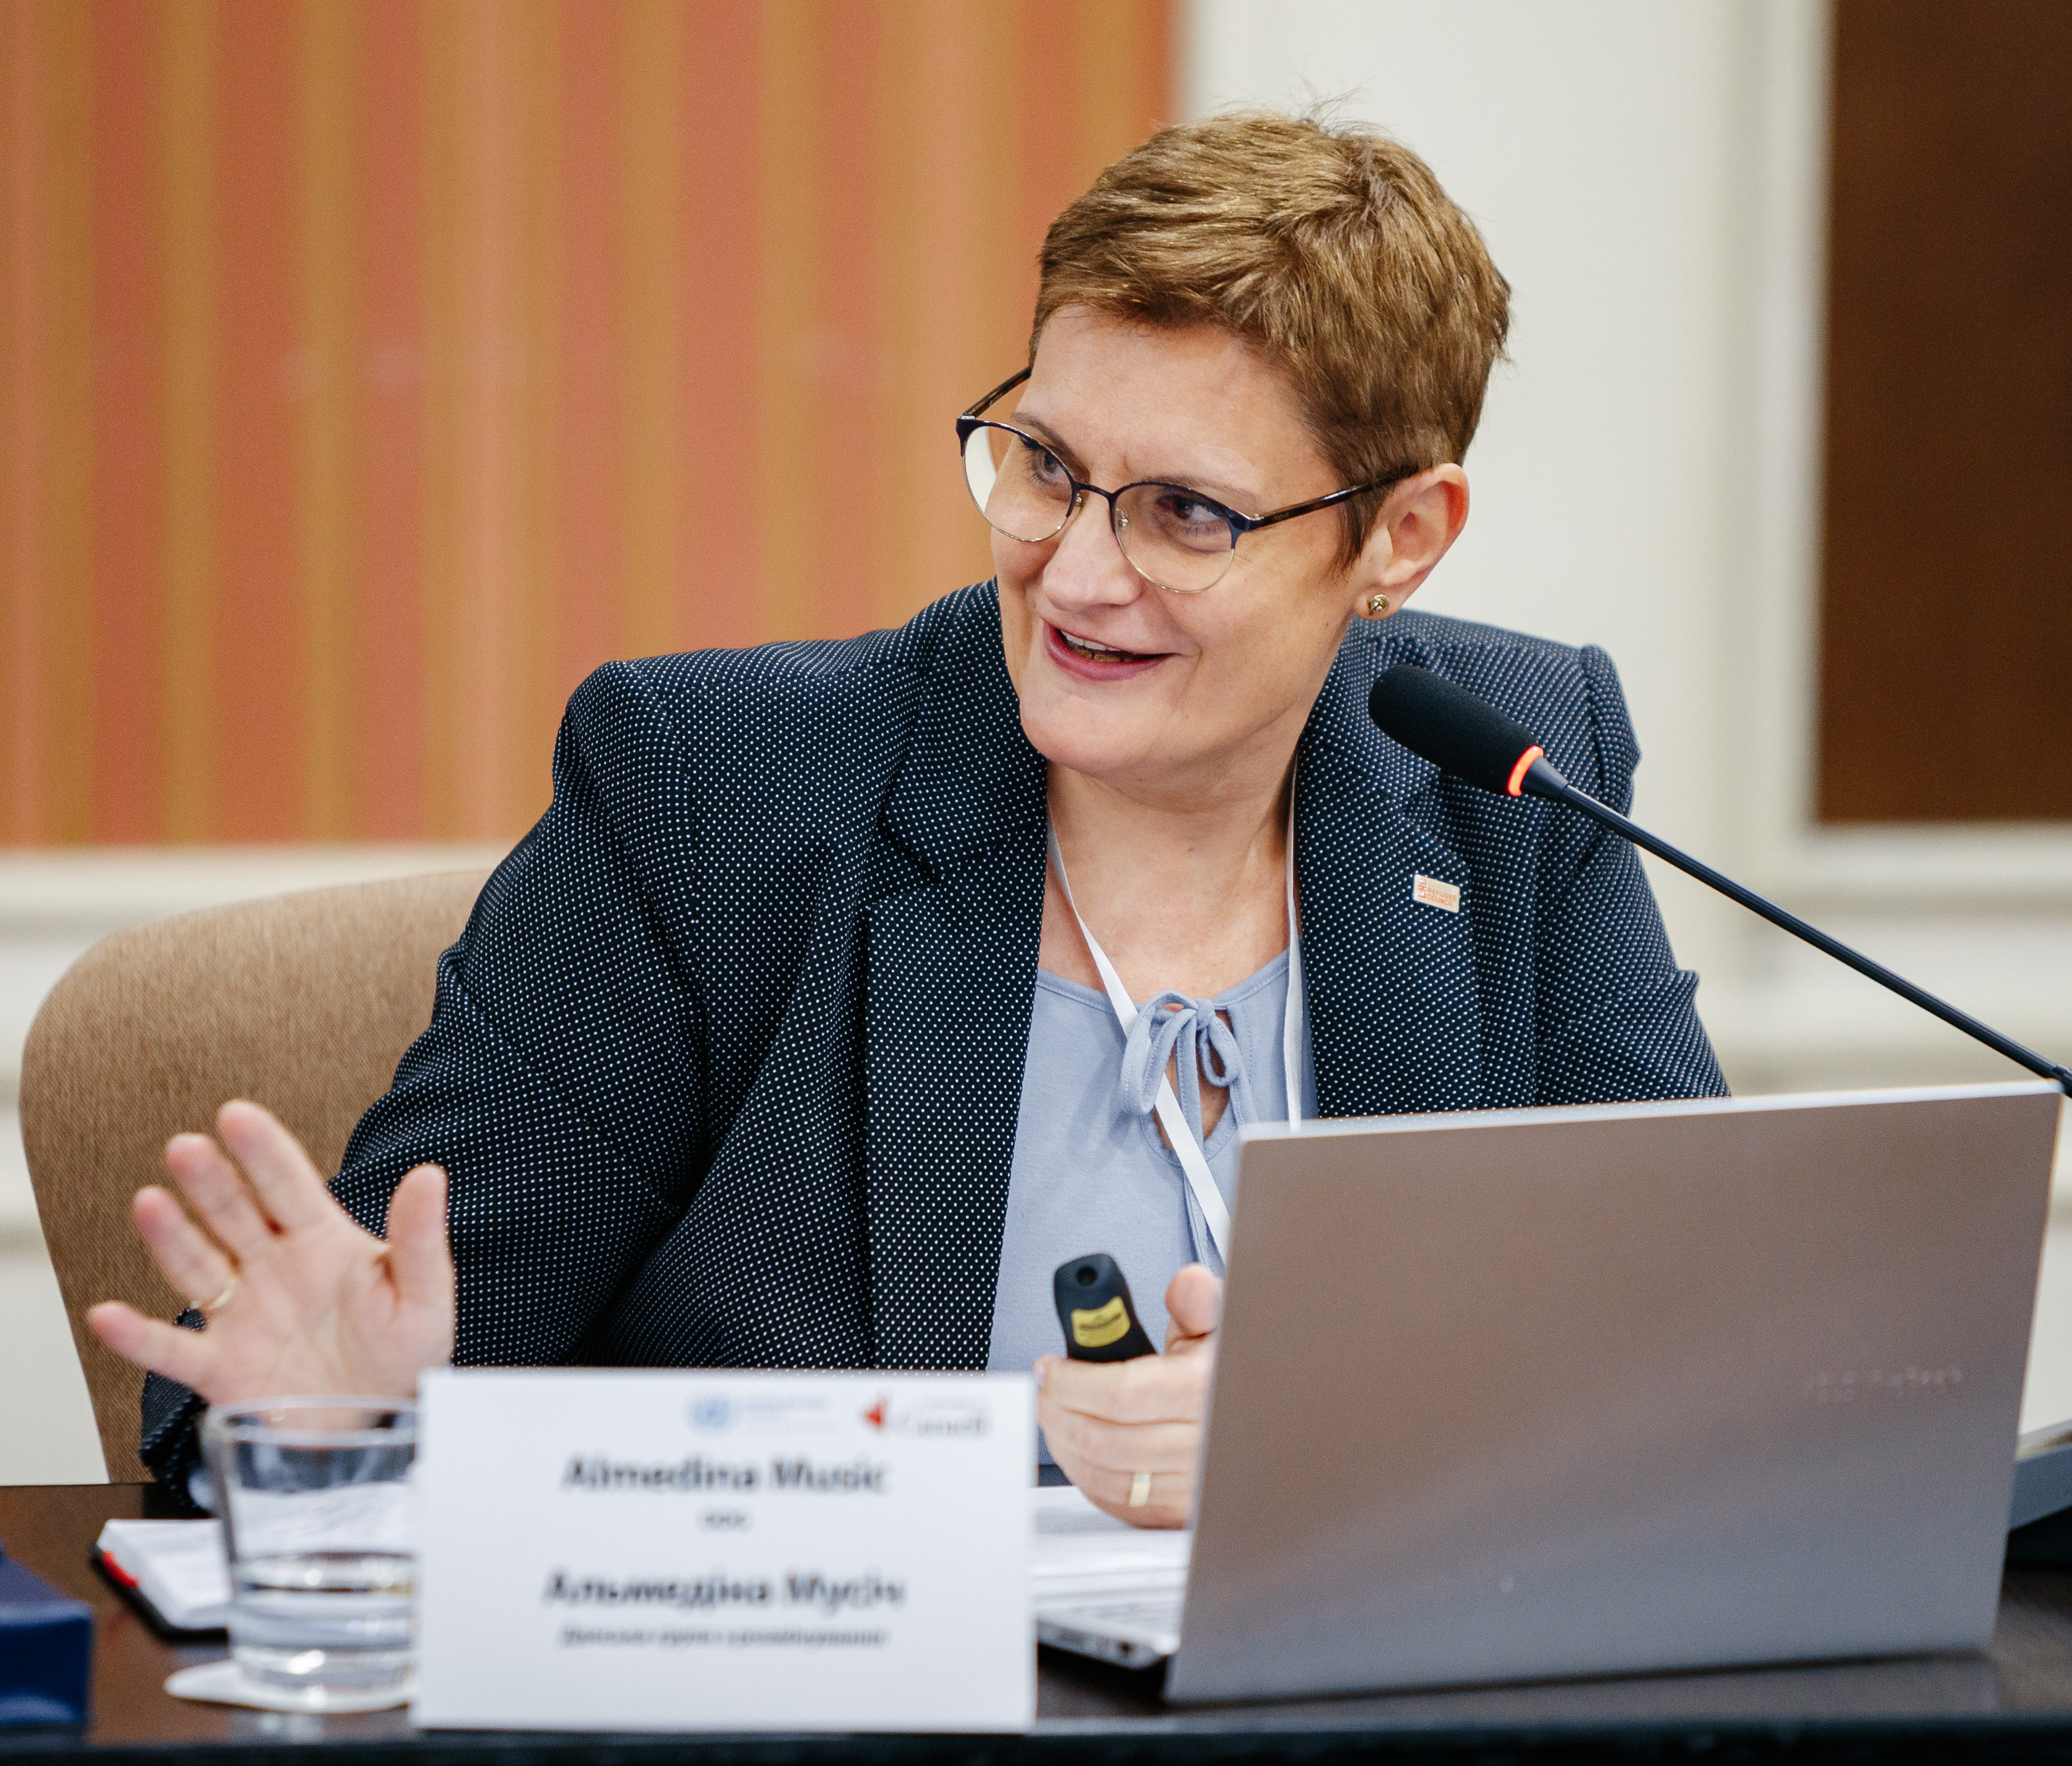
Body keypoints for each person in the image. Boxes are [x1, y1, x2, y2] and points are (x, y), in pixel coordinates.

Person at [87, 109, 1725, 1528]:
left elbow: (1703, 1353)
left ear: (1399, 538)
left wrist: (1340, 1441)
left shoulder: (1512, 777)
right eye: (1042, 464)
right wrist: (333, 1419)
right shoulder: (716, 800)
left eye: (1184, 514)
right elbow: (332, 1360)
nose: (1076, 574)